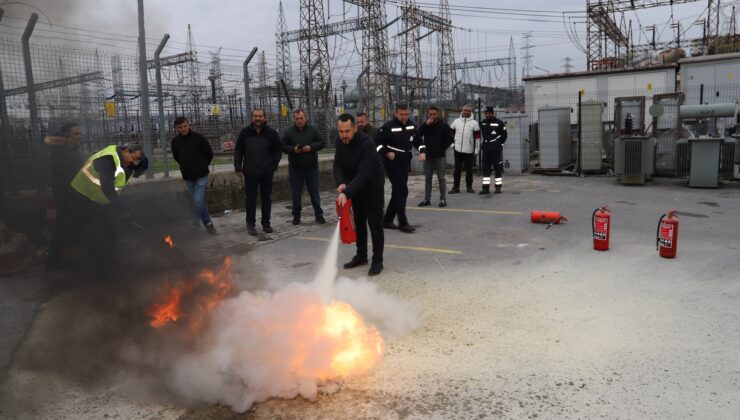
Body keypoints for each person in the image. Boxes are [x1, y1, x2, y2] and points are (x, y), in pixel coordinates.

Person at [70, 142, 148, 278]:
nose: (133, 164)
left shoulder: (125, 163)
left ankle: (112, 264)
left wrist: (122, 210)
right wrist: (120, 210)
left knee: (111, 230)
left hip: (100, 199)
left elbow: (114, 191)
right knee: (96, 234)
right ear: (127, 151)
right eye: (134, 159)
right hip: (84, 196)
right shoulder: (109, 159)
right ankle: (101, 272)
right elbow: (107, 188)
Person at [334, 113, 385, 276]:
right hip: (355, 188)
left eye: (347, 131)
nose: (344, 135)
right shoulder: (340, 142)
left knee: (374, 224)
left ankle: (378, 260)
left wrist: (347, 192)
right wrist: (341, 182)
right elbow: (338, 164)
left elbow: (364, 174)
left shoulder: (367, 144)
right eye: (341, 131)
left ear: (355, 128)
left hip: (372, 187)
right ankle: (361, 256)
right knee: (359, 222)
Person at [375, 103, 425, 233]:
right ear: (396, 113)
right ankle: (403, 223)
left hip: (405, 162)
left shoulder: (411, 125)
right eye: (401, 114)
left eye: (406, 114)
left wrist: (422, 151)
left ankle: (387, 220)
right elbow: (376, 143)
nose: (404, 117)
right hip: (392, 163)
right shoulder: (388, 126)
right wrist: (386, 152)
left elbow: (418, 141)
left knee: (397, 192)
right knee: (402, 191)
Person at [234, 109, 282, 236]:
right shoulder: (245, 133)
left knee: (266, 198)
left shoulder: (271, 133)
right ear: (252, 118)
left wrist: (274, 164)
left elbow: (278, 150)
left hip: (267, 171)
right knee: (250, 199)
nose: (258, 118)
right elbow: (239, 150)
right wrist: (238, 166)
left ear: (264, 118)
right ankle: (251, 225)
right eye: (255, 116)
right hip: (250, 172)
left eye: (260, 116)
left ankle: (266, 224)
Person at [45, 122, 84, 270]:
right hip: (66, 195)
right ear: (67, 135)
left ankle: (60, 257)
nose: (79, 136)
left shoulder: (70, 149)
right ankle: (53, 261)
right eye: (76, 134)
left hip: (72, 193)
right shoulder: (61, 152)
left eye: (80, 133)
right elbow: (68, 175)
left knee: (70, 225)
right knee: (64, 226)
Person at [171, 116, 216, 234]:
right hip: (188, 176)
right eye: (180, 127)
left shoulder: (199, 138)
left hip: (201, 174)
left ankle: (194, 224)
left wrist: (202, 165)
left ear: (188, 124)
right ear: (177, 128)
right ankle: (208, 223)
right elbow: (177, 157)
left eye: (185, 126)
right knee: (199, 201)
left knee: (198, 200)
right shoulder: (175, 142)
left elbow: (209, 153)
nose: (183, 129)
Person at [281, 109, 326, 225]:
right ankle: (296, 217)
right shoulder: (288, 132)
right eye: (297, 119)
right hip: (296, 169)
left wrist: (311, 147)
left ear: (305, 118)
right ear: (294, 119)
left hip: (312, 168)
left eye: (301, 118)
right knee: (296, 195)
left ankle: (319, 215)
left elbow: (322, 143)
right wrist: (293, 149)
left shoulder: (313, 129)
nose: (299, 120)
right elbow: (282, 146)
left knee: (314, 193)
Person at [417, 106, 453, 208]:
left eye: (434, 114)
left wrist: (442, 148)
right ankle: (427, 199)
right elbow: (418, 134)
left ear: (438, 114)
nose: (432, 116)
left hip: (439, 156)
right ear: (428, 114)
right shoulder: (425, 125)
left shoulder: (444, 125)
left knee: (441, 178)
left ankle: (442, 199)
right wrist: (425, 124)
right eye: (430, 114)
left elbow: (450, 139)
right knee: (428, 178)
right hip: (428, 156)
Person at [449, 104, 480, 194]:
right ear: (462, 111)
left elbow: (477, 138)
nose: (466, 112)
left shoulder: (474, 123)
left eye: (468, 111)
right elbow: (449, 134)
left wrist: (476, 150)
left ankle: (469, 187)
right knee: (457, 170)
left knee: (469, 170)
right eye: (465, 110)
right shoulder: (456, 122)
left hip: (469, 150)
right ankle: (456, 187)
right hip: (457, 149)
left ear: (471, 112)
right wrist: (452, 145)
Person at [479, 106, 508, 195]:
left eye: (489, 113)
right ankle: (485, 188)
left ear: (492, 113)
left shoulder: (499, 123)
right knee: (486, 170)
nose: (487, 115)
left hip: (496, 150)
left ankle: (498, 187)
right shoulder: (483, 123)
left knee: (497, 169)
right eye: (486, 113)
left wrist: (500, 145)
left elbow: (504, 135)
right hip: (486, 150)